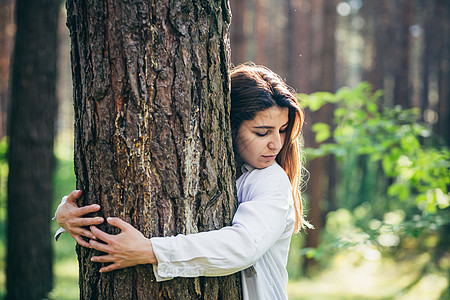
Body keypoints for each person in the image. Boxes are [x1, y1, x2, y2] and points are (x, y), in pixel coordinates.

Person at [55, 63, 306, 300]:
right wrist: (67, 213)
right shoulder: (210, 165)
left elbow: (243, 246)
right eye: (262, 132)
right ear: (228, 125)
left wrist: (150, 251)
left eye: (282, 130)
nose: (276, 143)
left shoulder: (271, 180)